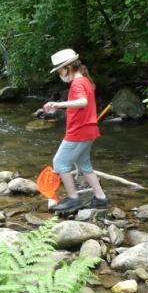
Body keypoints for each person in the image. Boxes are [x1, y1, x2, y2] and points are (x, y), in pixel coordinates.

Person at [40, 48, 108, 213]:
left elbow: (82, 102)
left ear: (67, 68)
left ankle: (73, 198)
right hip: (89, 130)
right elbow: (82, 105)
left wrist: (57, 104)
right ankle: (101, 198)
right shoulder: (84, 80)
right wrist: (60, 108)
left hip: (79, 132)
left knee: (60, 163)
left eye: (59, 71)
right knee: (84, 164)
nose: (59, 74)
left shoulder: (78, 82)